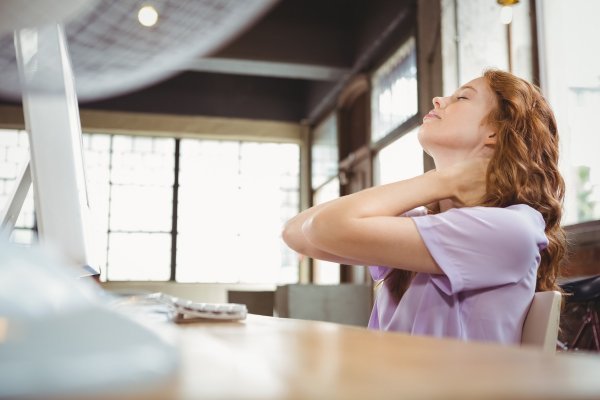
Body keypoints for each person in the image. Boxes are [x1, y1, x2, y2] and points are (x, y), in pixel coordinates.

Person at [282, 69, 566, 345]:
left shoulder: (510, 228)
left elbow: (322, 228)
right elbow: (296, 233)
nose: (438, 100)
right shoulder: (430, 222)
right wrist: (445, 181)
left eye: (462, 98)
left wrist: (442, 180)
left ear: (495, 132)